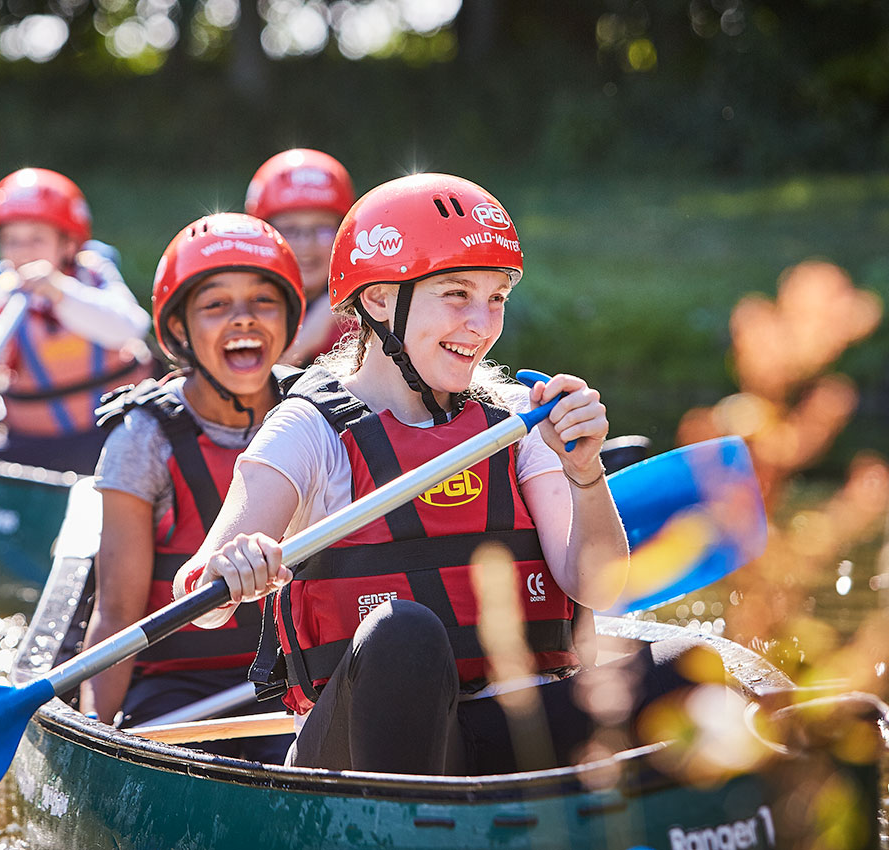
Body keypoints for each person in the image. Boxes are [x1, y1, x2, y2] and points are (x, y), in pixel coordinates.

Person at [174, 173, 716, 775]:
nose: (482, 325)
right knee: (402, 634)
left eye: (497, 299)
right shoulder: (306, 429)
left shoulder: (517, 421)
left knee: (692, 665)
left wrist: (585, 472)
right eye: (457, 294)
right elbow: (202, 603)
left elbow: (600, 587)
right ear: (379, 300)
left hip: (507, 736)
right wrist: (228, 567)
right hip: (363, 750)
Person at [79, 213, 305, 763]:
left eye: (263, 302)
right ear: (179, 329)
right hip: (176, 693)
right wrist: (91, 733)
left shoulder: (317, 415)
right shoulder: (144, 436)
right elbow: (117, 613)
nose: (243, 320)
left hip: (295, 681)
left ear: (290, 317)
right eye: (216, 305)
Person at [0, 167, 154, 474]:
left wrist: (60, 291)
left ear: (68, 244)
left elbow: (132, 326)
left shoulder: (94, 274)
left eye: (36, 239)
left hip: (115, 434)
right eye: (11, 241)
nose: (23, 253)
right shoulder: (1, 287)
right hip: (33, 445)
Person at [245, 149, 358, 367]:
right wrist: (308, 337)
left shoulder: (367, 309)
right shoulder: (240, 305)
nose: (307, 244)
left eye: (323, 228)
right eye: (291, 230)